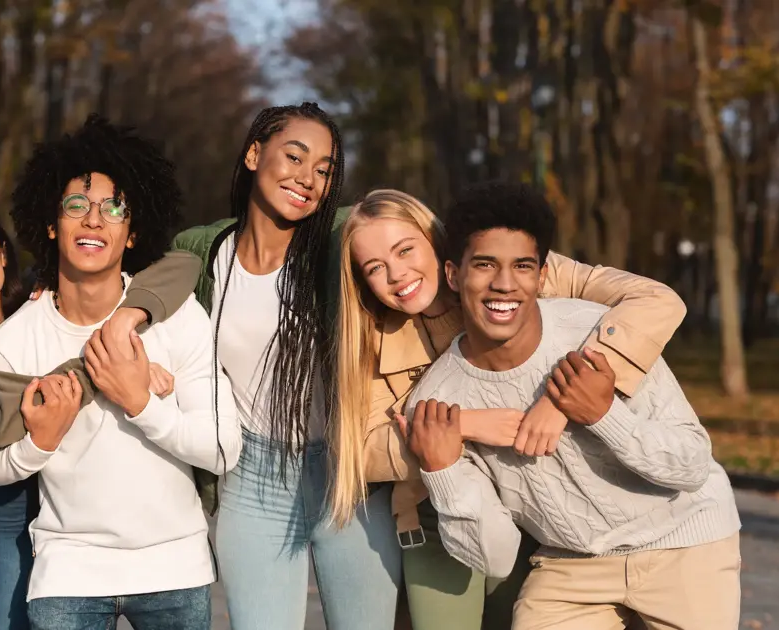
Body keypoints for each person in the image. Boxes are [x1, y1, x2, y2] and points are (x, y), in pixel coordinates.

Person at [332, 188, 689, 628]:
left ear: (435, 241)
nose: (397, 274)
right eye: (375, 267)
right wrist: (464, 424)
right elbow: (361, 449)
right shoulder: (367, 335)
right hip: (436, 506)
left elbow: (655, 302)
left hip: (534, 503)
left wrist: (561, 399)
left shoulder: (516, 271)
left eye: (405, 250)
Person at [402, 181, 741, 630]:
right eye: (484, 265)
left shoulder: (598, 332)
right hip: (571, 566)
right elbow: (497, 557)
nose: (504, 284)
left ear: (542, 276)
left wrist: (605, 416)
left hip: (685, 541)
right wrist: (443, 472)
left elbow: (692, 465)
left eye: (522, 266)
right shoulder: (439, 401)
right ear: (453, 275)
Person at [0, 114, 241, 630]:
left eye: (114, 209)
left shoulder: (178, 316)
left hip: (174, 570)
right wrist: (39, 443)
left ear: (132, 233)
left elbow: (224, 449)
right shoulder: (13, 340)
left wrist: (141, 403)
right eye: (77, 205)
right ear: (52, 224)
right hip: (68, 575)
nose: (94, 220)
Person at [0, 196, 200, 630]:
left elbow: (182, 265)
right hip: (5, 506)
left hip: (79, 506)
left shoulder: (49, 290)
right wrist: (111, 365)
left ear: (2, 252)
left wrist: (127, 319)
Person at [172, 102, 402, 629]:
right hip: (253, 479)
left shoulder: (339, 242)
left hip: (349, 476)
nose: (308, 179)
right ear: (254, 154)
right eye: (294, 157)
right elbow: (139, 283)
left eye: (324, 170)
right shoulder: (204, 250)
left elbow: (414, 242)